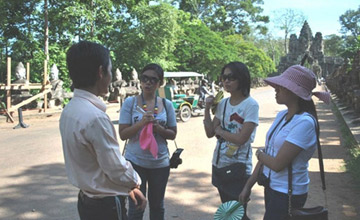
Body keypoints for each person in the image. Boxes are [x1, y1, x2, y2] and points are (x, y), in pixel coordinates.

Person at [59, 41, 146, 220]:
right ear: (100, 72)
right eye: (110, 70)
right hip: (105, 206)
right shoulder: (95, 118)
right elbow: (115, 168)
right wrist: (135, 182)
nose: (111, 77)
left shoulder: (70, 109)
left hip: (86, 199)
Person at [239, 65, 331, 220]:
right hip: (272, 186)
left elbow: (276, 164)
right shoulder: (282, 116)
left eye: (281, 86)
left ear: (294, 91)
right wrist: (248, 185)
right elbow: (269, 155)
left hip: (288, 193)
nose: (276, 89)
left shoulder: (305, 123)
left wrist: (259, 153)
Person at [118, 63, 177, 220]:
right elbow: (123, 134)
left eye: (153, 79)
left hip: (160, 164)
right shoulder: (130, 103)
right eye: (145, 78)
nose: (148, 83)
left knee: (157, 206)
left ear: (160, 83)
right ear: (140, 81)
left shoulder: (167, 105)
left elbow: (173, 134)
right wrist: (141, 123)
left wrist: (159, 129)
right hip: (135, 163)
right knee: (136, 206)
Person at [203, 61, 259, 220]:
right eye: (224, 77)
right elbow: (209, 132)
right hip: (220, 164)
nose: (226, 81)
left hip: (238, 167)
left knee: (237, 213)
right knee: (229, 212)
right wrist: (207, 109)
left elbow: (242, 139)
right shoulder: (223, 103)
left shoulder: (251, 105)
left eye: (231, 77)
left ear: (242, 79)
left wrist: (220, 131)